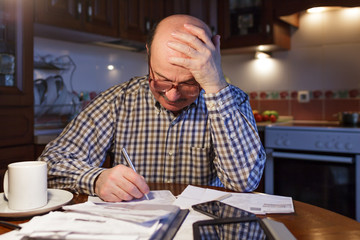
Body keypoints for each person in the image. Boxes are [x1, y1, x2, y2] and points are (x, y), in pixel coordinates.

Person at [38, 14, 266, 202]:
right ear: (148, 55)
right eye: (162, 79)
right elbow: (49, 165)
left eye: (189, 83)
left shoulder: (232, 100)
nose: (172, 94)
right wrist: (96, 179)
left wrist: (215, 86)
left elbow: (243, 182)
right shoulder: (118, 100)